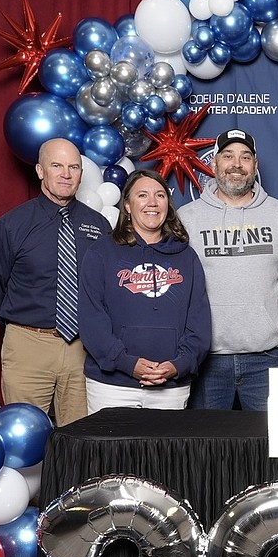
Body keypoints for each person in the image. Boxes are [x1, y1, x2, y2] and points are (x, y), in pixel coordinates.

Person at [0, 138, 110, 425]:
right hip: (27, 345)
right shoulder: (11, 225)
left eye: (74, 167)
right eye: (57, 165)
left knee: (81, 438)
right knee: (25, 436)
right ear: (40, 171)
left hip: (82, 349)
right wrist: (24, 327)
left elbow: (106, 289)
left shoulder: (98, 226)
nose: (66, 173)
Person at [180, 127, 278, 410]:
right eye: (228, 156)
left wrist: (264, 317)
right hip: (206, 358)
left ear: (255, 166)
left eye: (245, 157)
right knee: (208, 449)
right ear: (214, 163)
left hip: (267, 358)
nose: (236, 164)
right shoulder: (187, 219)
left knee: (268, 447)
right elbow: (178, 285)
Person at [77, 170, 211, 413]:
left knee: (165, 453)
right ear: (127, 205)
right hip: (112, 386)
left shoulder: (186, 257)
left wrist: (178, 365)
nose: (152, 202)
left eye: (160, 195)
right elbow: (91, 321)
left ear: (167, 205)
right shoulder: (101, 253)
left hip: (171, 386)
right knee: (111, 452)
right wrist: (127, 363)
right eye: (142, 195)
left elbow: (199, 323)